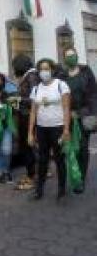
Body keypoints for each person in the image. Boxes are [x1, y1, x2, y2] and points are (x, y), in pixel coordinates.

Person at [27, 58, 71, 201]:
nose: (43, 72)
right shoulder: (36, 89)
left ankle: (62, 190)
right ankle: (39, 190)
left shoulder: (61, 85)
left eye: (46, 69)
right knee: (42, 160)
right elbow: (33, 112)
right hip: (42, 129)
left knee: (59, 160)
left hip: (58, 128)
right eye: (41, 69)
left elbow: (66, 108)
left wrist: (66, 130)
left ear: (52, 70)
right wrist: (30, 133)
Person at [57, 47, 97, 192]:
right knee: (70, 148)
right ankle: (74, 173)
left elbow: (93, 94)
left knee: (83, 148)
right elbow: (59, 96)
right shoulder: (61, 75)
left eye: (73, 55)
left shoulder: (86, 71)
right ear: (64, 59)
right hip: (67, 117)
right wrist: (67, 112)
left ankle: (81, 179)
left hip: (84, 116)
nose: (71, 58)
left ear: (77, 56)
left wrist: (92, 114)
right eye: (68, 56)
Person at [12, 55, 40, 191]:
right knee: (28, 147)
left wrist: (18, 100)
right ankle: (32, 174)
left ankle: (33, 177)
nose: (14, 69)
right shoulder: (28, 76)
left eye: (15, 66)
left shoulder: (31, 77)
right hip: (25, 116)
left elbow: (35, 99)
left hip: (28, 117)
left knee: (29, 147)